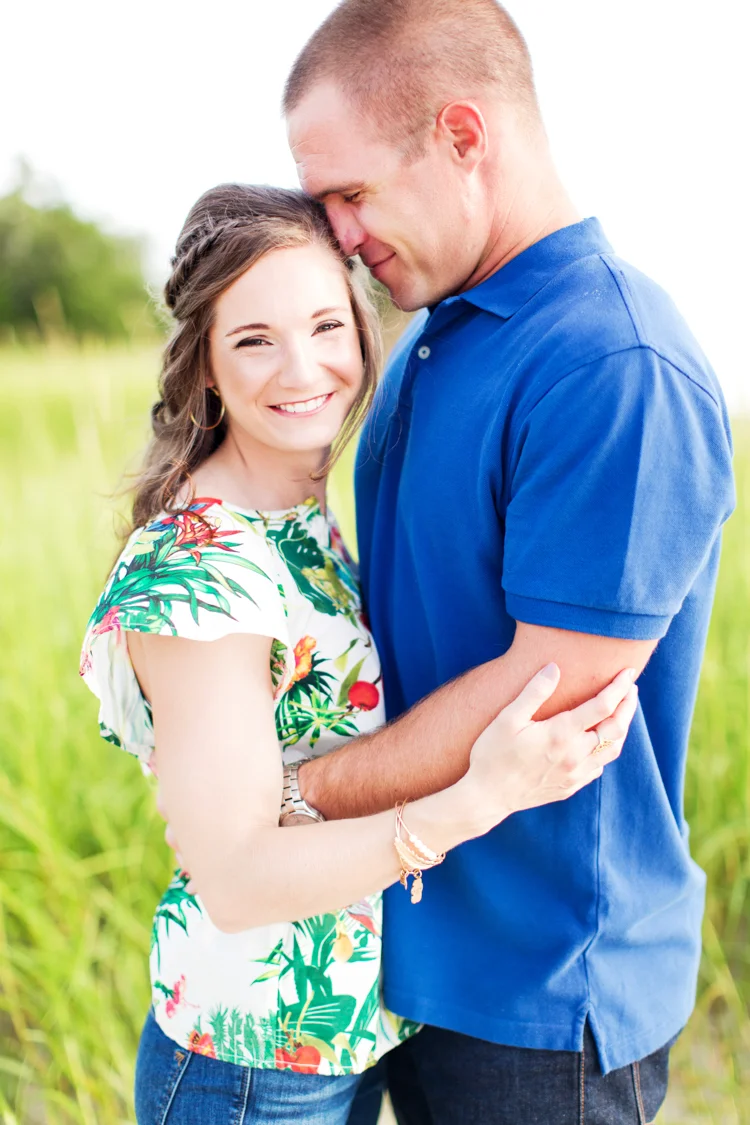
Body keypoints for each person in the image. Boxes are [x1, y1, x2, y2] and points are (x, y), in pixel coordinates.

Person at [80, 183, 636, 1125]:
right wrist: (476, 798)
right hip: (249, 1058)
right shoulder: (198, 567)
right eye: (254, 339)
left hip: (350, 1032)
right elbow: (241, 878)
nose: (304, 368)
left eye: (325, 325)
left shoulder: (299, 512)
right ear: (205, 366)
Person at [282, 1, 736, 1122]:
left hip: (545, 998)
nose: (338, 234)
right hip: (404, 949)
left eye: (351, 194)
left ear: (464, 137)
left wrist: (290, 797)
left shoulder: (613, 362)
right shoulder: (435, 334)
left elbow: (553, 688)